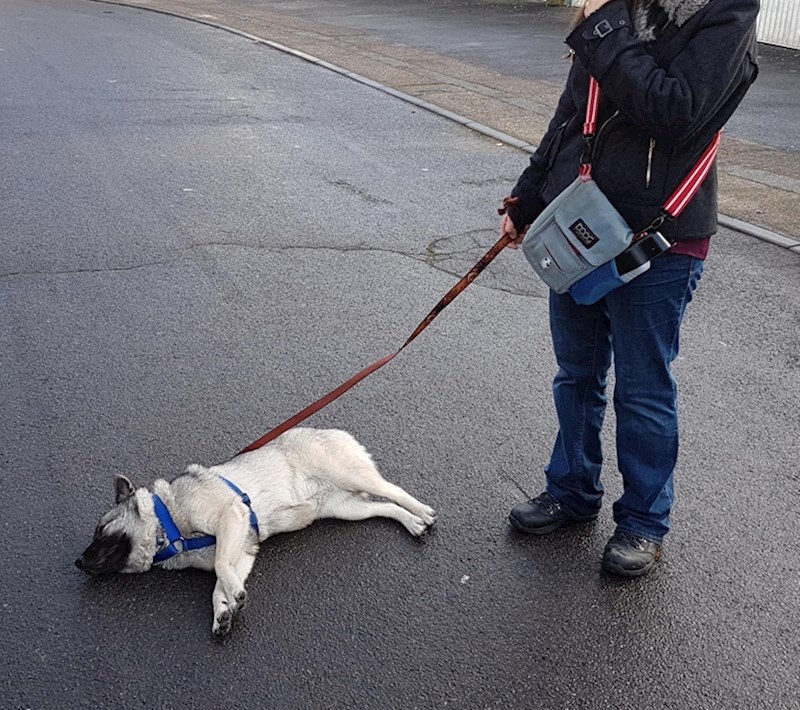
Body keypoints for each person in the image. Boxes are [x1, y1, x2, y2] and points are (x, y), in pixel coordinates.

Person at [500, 0, 759, 576]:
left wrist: (603, 27)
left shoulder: (725, 12)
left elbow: (675, 110)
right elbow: (572, 114)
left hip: (658, 238)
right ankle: (570, 489)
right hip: (580, 227)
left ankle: (643, 522)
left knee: (643, 390)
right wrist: (529, 194)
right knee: (577, 373)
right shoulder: (618, 11)